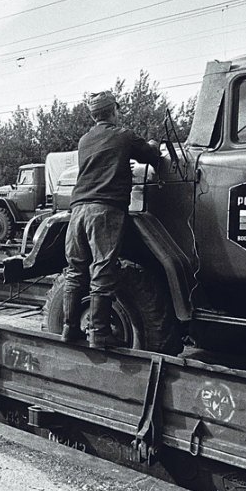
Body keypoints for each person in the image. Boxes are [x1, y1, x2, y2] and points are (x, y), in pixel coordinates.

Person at [61, 91, 161, 349]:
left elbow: (100, 165)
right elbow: (151, 156)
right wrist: (154, 144)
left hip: (77, 210)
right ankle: (98, 333)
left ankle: (68, 328)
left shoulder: (84, 140)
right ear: (113, 110)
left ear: (94, 115)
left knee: (75, 271)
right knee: (102, 270)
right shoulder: (123, 135)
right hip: (104, 211)